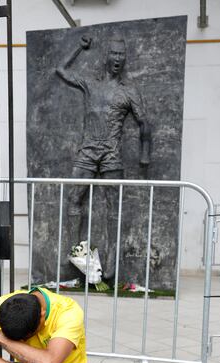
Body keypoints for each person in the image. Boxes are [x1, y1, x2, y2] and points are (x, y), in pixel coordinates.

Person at [56, 36, 151, 279]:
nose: (118, 58)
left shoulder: (128, 91)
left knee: (113, 208)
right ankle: (77, 256)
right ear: (106, 56)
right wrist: (79, 46)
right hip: (87, 152)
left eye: (122, 55)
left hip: (111, 154)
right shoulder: (90, 83)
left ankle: (111, 263)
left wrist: (145, 155)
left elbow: (144, 123)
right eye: (114, 54)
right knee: (74, 199)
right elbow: (61, 70)